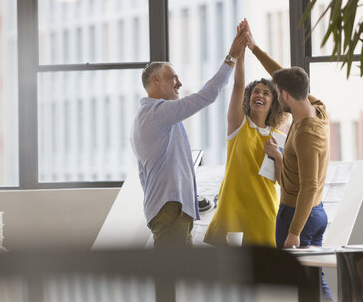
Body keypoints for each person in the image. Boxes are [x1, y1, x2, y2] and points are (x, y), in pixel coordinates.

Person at [130, 25, 247, 248]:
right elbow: (206, 96)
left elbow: (145, 173)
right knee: (170, 275)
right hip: (170, 208)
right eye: (173, 78)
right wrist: (231, 56)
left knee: (174, 276)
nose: (180, 84)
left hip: (170, 207)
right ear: (155, 81)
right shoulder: (158, 113)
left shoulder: (146, 117)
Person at [247, 21, 333, 301]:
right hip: (313, 213)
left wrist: (294, 232)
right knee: (311, 284)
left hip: (299, 216)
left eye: (276, 91)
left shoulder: (308, 133)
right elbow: (281, 75)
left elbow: (308, 185)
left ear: (283, 95)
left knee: (308, 287)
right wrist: (254, 47)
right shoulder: (316, 108)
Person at [203, 20, 287, 247]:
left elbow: (282, 181)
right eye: (256, 92)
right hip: (233, 214)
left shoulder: (278, 137)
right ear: (250, 99)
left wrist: (278, 156)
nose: (259, 95)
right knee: (233, 279)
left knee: (265, 278)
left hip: (265, 213)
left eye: (266, 93)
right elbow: (238, 84)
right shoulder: (238, 125)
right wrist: (241, 53)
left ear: (273, 103)